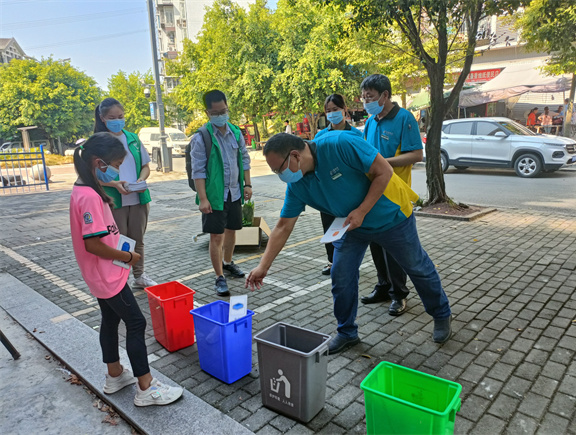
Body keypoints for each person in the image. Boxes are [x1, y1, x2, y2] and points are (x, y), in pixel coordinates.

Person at [245, 132, 452, 354]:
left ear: (295, 155)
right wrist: (263, 266)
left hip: (392, 218)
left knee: (416, 266)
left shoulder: (339, 144)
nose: (280, 175)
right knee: (341, 275)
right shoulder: (298, 185)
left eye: (279, 169)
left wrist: (362, 211)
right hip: (351, 227)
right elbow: (283, 226)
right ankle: (347, 332)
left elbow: (384, 171)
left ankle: (441, 314)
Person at [69, 132, 183, 406]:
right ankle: (146, 388)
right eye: (116, 165)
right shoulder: (89, 198)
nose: (118, 170)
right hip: (108, 274)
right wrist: (128, 257)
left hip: (102, 274)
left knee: (110, 321)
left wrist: (114, 185)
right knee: (136, 322)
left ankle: (115, 374)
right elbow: (93, 245)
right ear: (99, 163)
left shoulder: (87, 187)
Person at [359, 74, 424, 316]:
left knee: (394, 248)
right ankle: (383, 286)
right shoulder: (371, 121)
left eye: (371, 97)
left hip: (395, 194)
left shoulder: (404, 118)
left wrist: (383, 163)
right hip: (372, 193)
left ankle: (399, 294)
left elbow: (416, 155)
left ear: (385, 96)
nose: (366, 101)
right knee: (376, 244)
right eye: (364, 97)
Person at [191, 90, 252, 296]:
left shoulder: (235, 132)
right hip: (214, 196)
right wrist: (203, 198)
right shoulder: (202, 137)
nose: (220, 115)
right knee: (216, 236)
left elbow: (244, 159)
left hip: (234, 192)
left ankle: (228, 263)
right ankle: (219, 277)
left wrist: (247, 185)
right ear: (207, 113)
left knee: (232, 230)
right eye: (216, 112)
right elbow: (197, 171)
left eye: (224, 111)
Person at [94, 98, 157, 289]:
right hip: (115, 200)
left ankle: (139, 276)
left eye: (120, 117)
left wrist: (140, 180)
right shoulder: (99, 141)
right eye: (112, 117)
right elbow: (92, 174)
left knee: (137, 240)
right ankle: (120, 279)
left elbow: (146, 166)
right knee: (119, 241)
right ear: (103, 118)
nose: (117, 121)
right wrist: (114, 184)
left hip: (137, 197)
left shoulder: (133, 138)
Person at [314, 94, 363, 275]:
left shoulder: (356, 135)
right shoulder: (320, 136)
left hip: (350, 191)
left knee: (351, 229)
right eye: (328, 111)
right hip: (327, 192)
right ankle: (331, 261)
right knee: (329, 228)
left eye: (335, 109)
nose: (332, 114)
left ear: (344, 110)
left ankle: (350, 262)